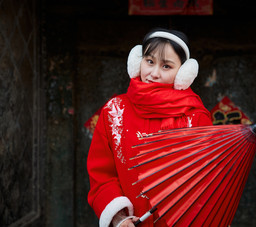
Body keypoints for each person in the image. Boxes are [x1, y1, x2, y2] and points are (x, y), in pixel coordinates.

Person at [87, 28, 213, 227]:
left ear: (183, 73)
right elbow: (101, 176)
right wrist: (120, 218)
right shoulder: (114, 112)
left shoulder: (195, 118)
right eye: (150, 61)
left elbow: (205, 185)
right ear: (138, 61)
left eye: (166, 66)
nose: (153, 73)